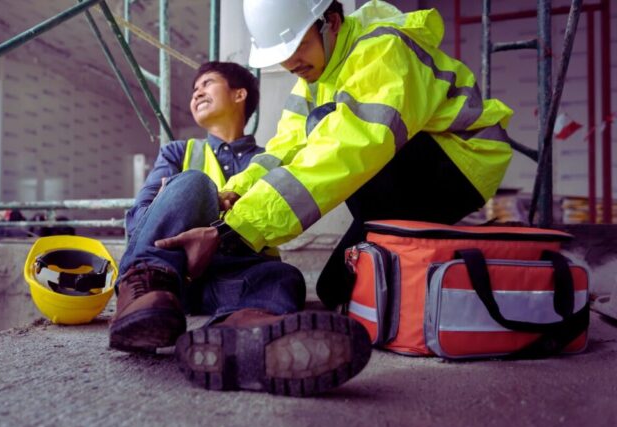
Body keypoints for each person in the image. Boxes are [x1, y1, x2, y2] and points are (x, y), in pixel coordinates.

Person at [161, 0, 515, 310]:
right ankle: (423, 247)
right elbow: (284, 150)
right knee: (335, 290)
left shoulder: (383, 50)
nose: (290, 62)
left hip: (459, 162)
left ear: (330, 22)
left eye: (297, 45)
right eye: (280, 53)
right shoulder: (313, 80)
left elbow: (348, 149)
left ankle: (458, 248)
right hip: (405, 169)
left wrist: (236, 230)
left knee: (324, 125)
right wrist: (231, 196)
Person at [110, 61, 372, 397]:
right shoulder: (179, 152)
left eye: (207, 83)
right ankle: (143, 296)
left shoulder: (269, 160)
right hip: (172, 275)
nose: (197, 92)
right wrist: (205, 201)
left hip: (233, 277)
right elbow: (139, 217)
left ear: (240, 94)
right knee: (194, 184)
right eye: (194, 90)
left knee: (283, 276)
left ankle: (242, 333)